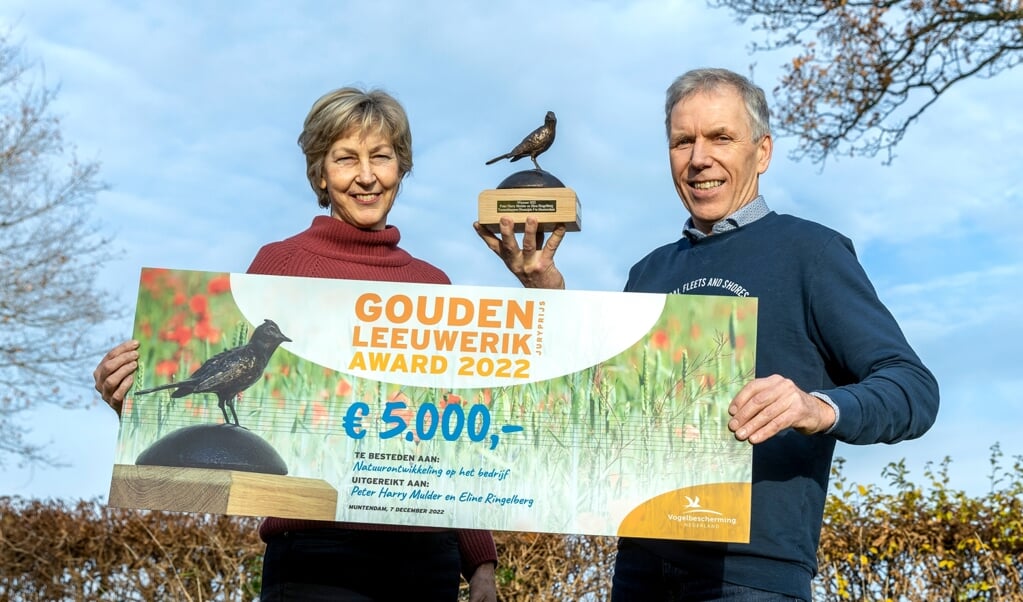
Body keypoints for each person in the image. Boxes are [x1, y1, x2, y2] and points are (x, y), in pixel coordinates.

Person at [473, 67, 939, 601]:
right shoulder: (647, 273)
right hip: (640, 568)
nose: (699, 158)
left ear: (761, 153)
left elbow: (914, 390)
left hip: (753, 577)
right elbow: (598, 410)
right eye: (682, 141)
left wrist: (816, 407)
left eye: (721, 137)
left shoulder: (812, 252)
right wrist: (549, 298)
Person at [95, 87, 498, 602]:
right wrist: (129, 403)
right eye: (346, 158)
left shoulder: (434, 285)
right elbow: (239, 418)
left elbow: (453, 435)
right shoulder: (278, 268)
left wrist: (480, 561)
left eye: (382, 157)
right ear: (320, 173)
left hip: (428, 562)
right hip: (315, 559)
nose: (367, 175)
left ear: (402, 168)